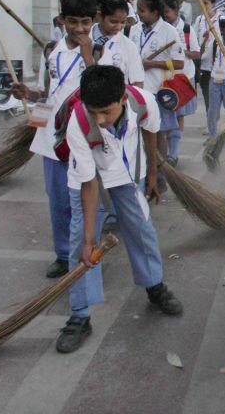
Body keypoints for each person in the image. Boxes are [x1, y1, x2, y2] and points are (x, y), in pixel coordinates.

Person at [59, 65, 182, 353]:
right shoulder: (78, 121)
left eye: (106, 112)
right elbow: (89, 184)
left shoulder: (143, 101)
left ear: (123, 99)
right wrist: (89, 240)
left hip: (127, 176)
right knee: (80, 243)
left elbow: (151, 133)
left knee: (142, 229)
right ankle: (80, 315)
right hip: (88, 180)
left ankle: (154, 285)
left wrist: (152, 175)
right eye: (94, 112)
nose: (100, 120)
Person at [11, 0, 99, 278]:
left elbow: (101, 92)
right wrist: (28, 94)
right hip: (52, 140)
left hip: (84, 138)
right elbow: (47, 93)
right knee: (58, 201)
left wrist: (88, 57)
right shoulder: (51, 51)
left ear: (94, 21)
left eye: (85, 22)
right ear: (62, 20)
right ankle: (63, 254)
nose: (79, 29)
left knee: (85, 200)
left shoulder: (100, 51)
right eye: (73, 21)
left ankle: (87, 250)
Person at [129, 0, 185, 191]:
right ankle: (140, 172)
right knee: (136, 133)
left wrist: (153, 64)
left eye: (142, 10)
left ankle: (160, 174)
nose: (139, 13)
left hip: (158, 91)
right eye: (138, 9)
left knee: (158, 133)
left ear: (154, 12)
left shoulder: (169, 32)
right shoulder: (134, 29)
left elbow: (179, 63)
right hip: (135, 91)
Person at [163, 0, 200, 165]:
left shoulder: (186, 29)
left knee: (179, 115)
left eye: (167, 11)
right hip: (164, 78)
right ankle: (165, 151)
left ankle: (173, 153)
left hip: (182, 77)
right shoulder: (161, 28)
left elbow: (196, 53)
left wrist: (181, 52)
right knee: (165, 114)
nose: (165, 15)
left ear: (176, 11)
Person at [95, 0, 145, 86]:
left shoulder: (129, 46)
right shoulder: (84, 37)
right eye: (113, 21)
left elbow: (138, 82)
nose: (118, 27)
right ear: (100, 16)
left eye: (123, 22)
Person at [192, 0, 221, 116]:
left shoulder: (221, 20)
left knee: (215, 94)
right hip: (203, 64)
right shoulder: (199, 20)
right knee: (206, 93)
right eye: (201, 3)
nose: (203, 6)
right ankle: (210, 118)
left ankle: (213, 118)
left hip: (216, 64)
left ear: (213, 4)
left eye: (206, 3)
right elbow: (194, 39)